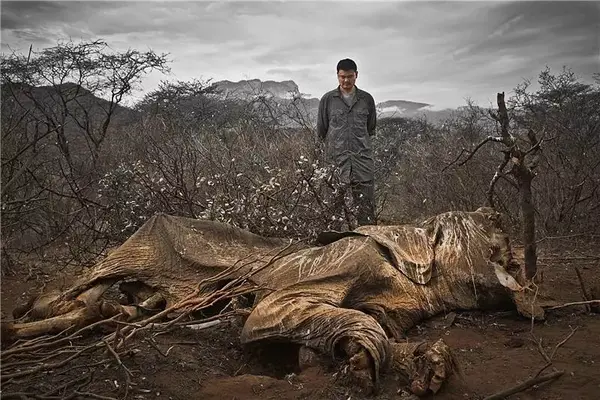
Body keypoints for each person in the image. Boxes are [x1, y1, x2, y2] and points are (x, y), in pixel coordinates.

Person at [317, 58, 377, 226]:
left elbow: (370, 129)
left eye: (350, 76)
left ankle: (368, 246)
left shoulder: (366, 100)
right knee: (332, 212)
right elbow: (321, 132)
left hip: (362, 163)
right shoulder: (327, 100)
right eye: (342, 76)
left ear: (356, 75)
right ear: (337, 76)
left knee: (366, 210)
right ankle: (332, 247)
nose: (346, 80)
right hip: (336, 163)